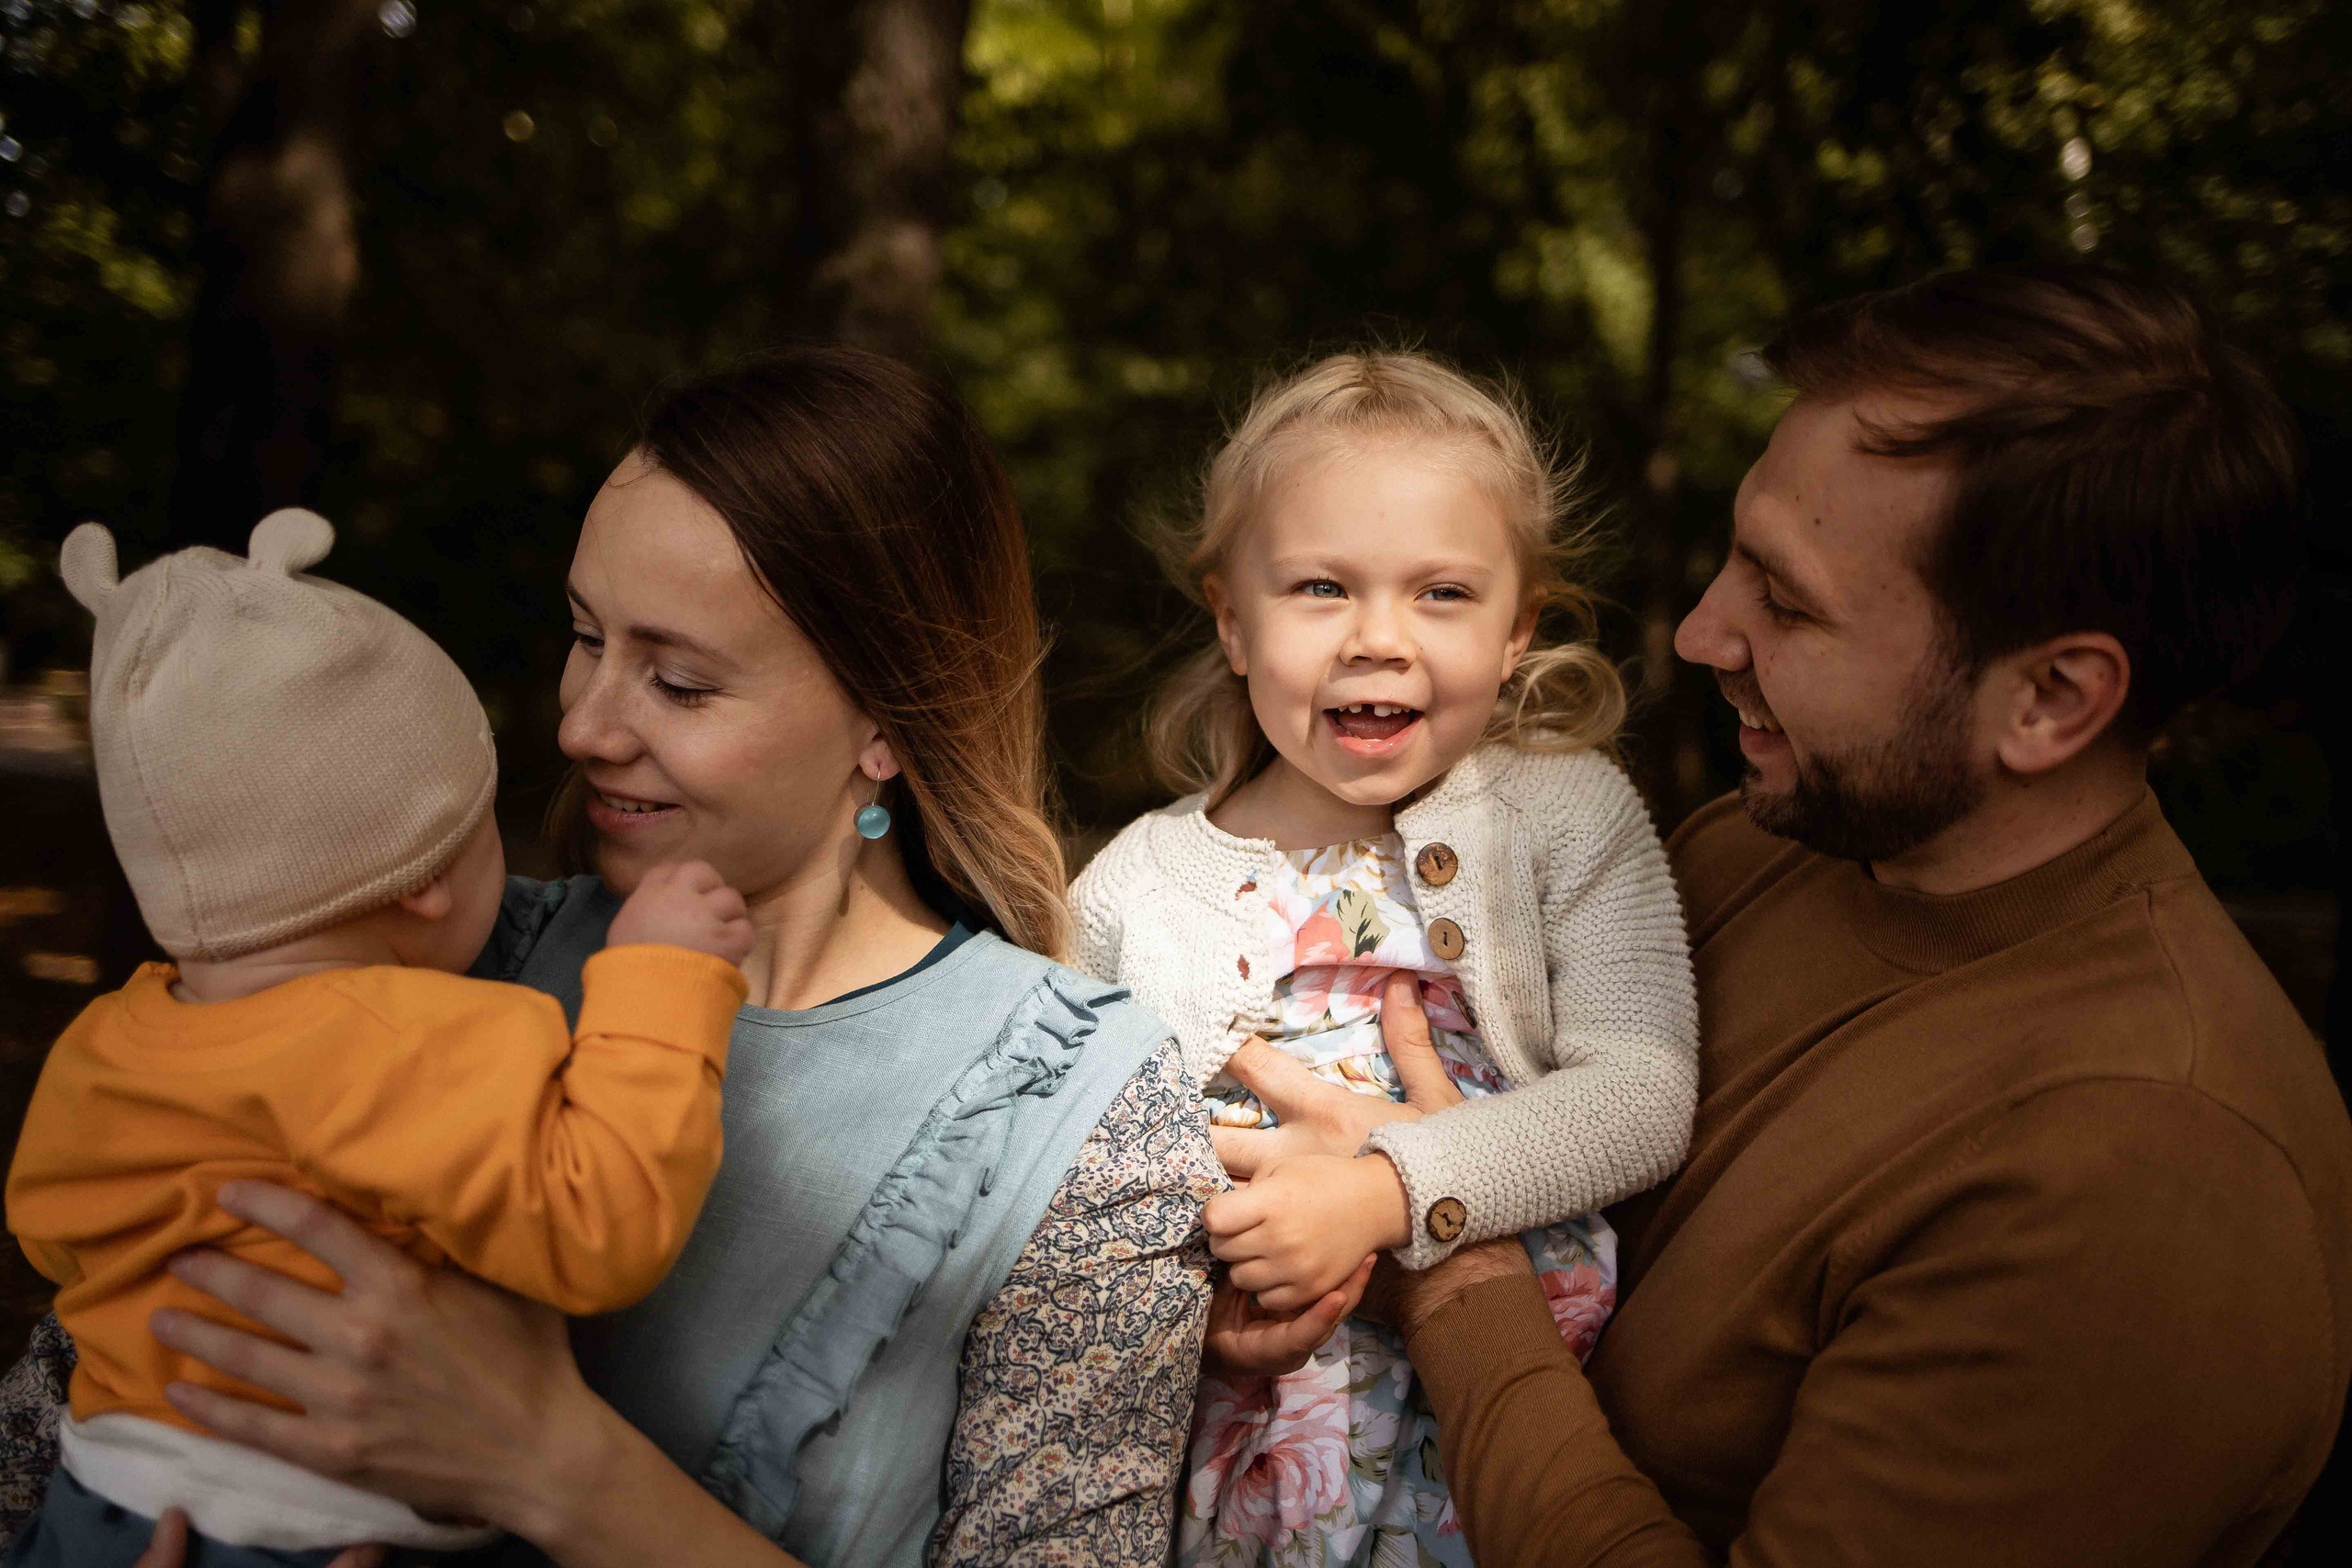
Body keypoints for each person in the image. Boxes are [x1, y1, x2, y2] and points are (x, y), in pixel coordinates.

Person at [0, 347, 1224, 1568]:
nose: (583, 726)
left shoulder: (1082, 1117)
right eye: (586, 637)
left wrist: (555, 1461)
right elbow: (69, 1405)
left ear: (886, 724)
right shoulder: (416, 956)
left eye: (680, 681)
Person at [1292, 266, 2352, 1565]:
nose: (1699, 634)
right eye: (1740, 559)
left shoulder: (2140, 1180)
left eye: (1788, 602)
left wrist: (1452, 1268)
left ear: (2053, 699)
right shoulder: (1761, 845)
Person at [7, 510, 753, 1566]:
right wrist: (665, 978)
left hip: (93, 1509)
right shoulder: (413, 1038)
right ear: (424, 880)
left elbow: (51, 1239)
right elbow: (600, 1224)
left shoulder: (107, 1041)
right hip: (287, 1530)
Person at [1069, 350, 1697, 1564]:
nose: (1378, 639)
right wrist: (1193, 1302)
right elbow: (1069, 1169)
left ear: (1519, 631)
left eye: (1443, 594)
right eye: (1318, 587)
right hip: (1242, 1460)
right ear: (1230, 619)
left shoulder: (1565, 816)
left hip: (1507, 1424)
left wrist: (1381, 1191)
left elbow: (1643, 1090)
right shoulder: (1133, 890)